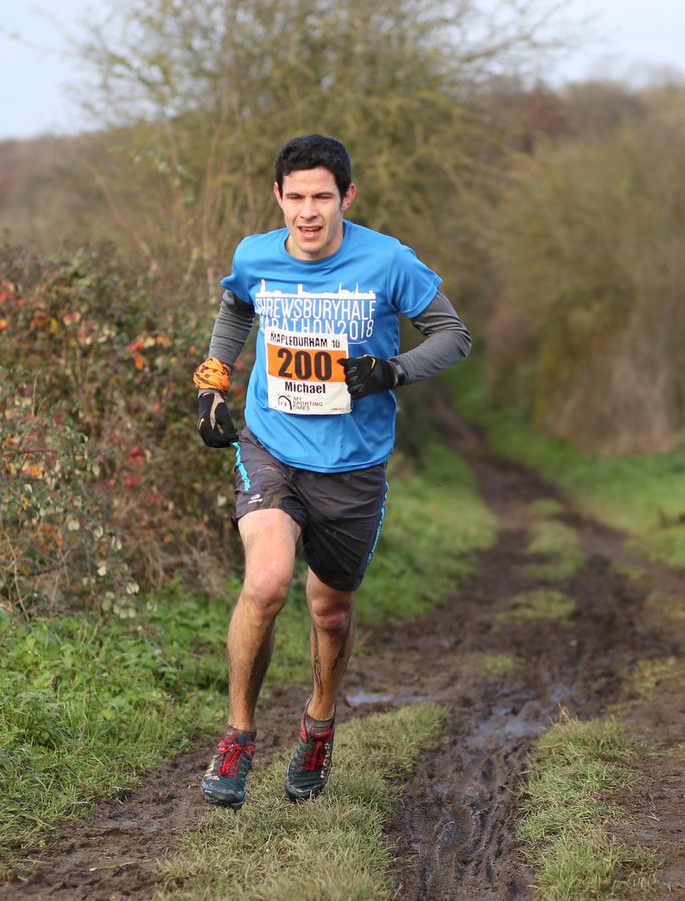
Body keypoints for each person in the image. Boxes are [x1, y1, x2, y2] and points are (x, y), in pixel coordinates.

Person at [192, 134, 471, 809]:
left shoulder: (386, 260)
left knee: (330, 609)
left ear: (346, 196)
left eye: (323, 197)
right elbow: (236, 307)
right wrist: (212, 382)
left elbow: (453, 335)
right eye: (297, 198)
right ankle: (237, 735)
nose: (309, 212)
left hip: (352, 466)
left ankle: (318, 725)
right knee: (265, 583)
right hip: (273, 445)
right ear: (278, 198)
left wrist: (393, 370)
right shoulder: (255, 256)